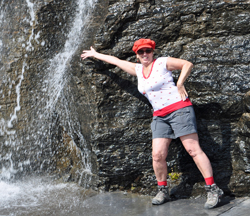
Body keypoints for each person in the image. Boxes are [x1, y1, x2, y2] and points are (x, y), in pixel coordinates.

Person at [80, 38, 224, 209]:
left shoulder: (162, 62)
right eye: (141, 52)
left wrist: (180, 83)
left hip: (179, 110)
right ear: (137, 55)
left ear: (152, 51)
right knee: (157, 155)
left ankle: (213, 189)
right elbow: (116, 61)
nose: (145, 54)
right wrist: (96, 54)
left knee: (193, 149)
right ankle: (163, 190)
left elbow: (187, 64)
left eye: (147, 51)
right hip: (160, 115)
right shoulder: (138, 69)